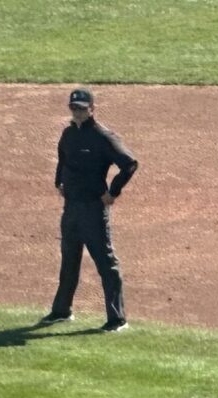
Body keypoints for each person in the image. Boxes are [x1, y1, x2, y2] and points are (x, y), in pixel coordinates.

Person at [37, 87, 139, 335]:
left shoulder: (103, 137)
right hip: (71, 208)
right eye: (74, 108)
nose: (77, 112)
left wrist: (113, 192)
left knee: (106, 263)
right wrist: (58, 182)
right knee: (69, 260)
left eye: (82, 108)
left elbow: (129, 164)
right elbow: (63, 158)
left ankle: (117, 318)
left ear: (92, 109)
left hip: (93, 209)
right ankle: (62, 311)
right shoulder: (69, 134)